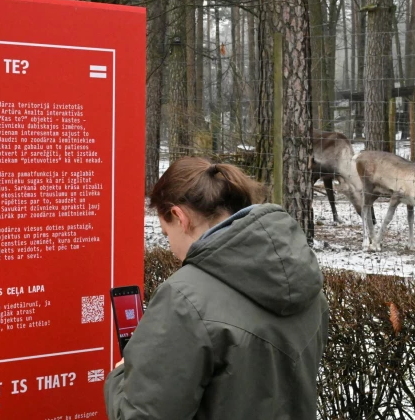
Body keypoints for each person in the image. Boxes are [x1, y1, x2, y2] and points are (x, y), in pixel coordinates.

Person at [104, 156, 329, 420]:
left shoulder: (184, 298)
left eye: (167, 235)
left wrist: (121, 376)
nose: (172, 250)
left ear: (180, 217)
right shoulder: (305, 278)